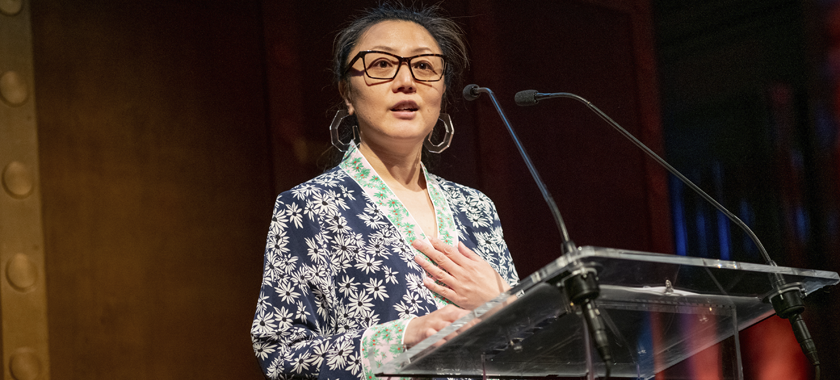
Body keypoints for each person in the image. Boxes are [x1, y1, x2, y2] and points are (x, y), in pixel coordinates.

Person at [250, 3, 519, 379]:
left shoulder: (476, 208)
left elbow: (533, 348)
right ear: (347, 93)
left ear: (442, 90)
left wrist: (503, 304)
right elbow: (282, 353)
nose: (406, 80)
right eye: (381, 65)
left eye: (424, 66)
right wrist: (404, 337)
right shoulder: (309, 207)